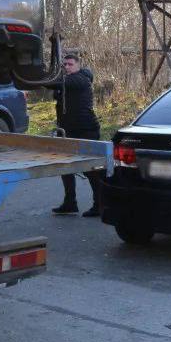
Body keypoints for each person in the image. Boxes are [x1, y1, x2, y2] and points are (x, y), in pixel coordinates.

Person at [52, 51, 104, 217]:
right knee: (65, 167)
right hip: (67, 130)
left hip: (86, 129)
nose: (67, 67)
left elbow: (56, 83)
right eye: (64, 65)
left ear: (78, 65)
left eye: (70, 64)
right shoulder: (66, 81)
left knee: (91, 169)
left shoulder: (81, 79)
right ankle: (70, 203)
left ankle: (100, 205)